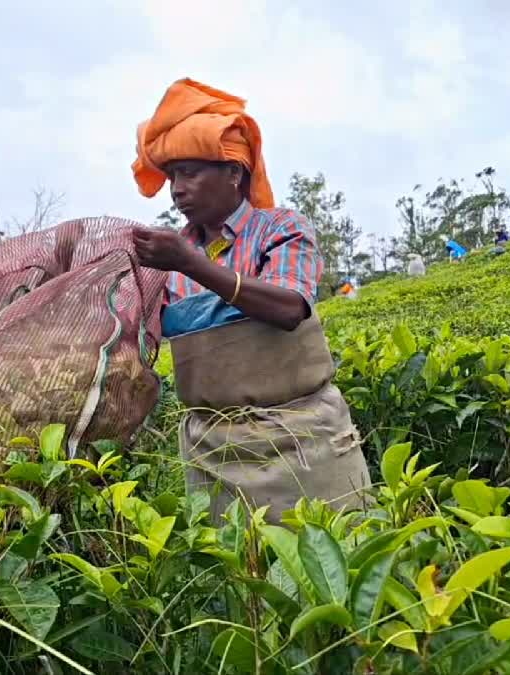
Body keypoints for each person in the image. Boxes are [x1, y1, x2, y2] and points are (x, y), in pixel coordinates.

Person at [129, 77, 371, 524]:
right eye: (171, 176)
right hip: (212, 452)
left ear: (233, 173)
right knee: (241, 578)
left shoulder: (280, 228)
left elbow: (289, 308)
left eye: (190, 172)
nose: (177, 189)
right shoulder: (168, 260)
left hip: (303, 440)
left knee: (338, 556)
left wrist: (192, 265)